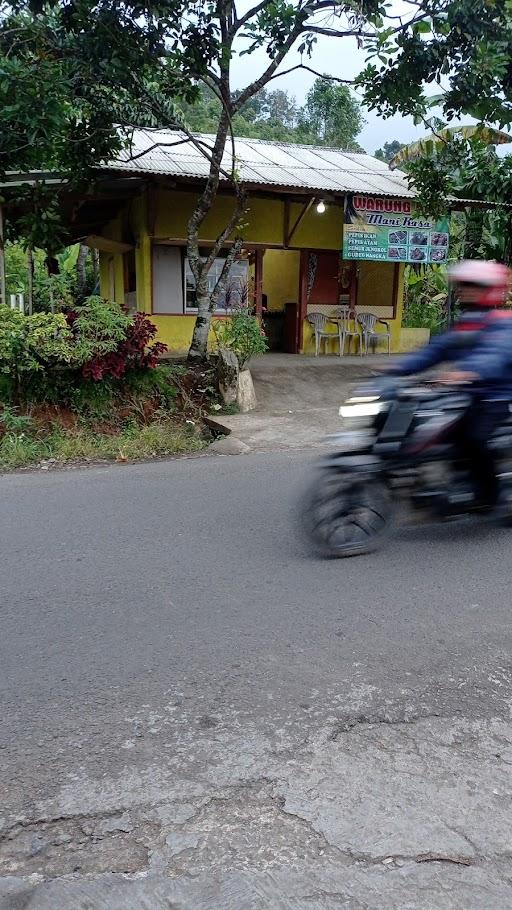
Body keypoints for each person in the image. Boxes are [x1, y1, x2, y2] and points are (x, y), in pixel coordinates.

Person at [388, 260, 512, 510]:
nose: (463, 289)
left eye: (471, 285)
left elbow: (494, 355)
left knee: (474, 439)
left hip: (494, 398)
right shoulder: (465, 322)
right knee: (426, 433)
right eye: (462, 284)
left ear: (488, 288)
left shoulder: (502, 323)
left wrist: (467, 372)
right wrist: (396, 369)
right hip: (464, 397)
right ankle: (444, 482)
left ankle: (488, 495)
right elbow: (434, 351)